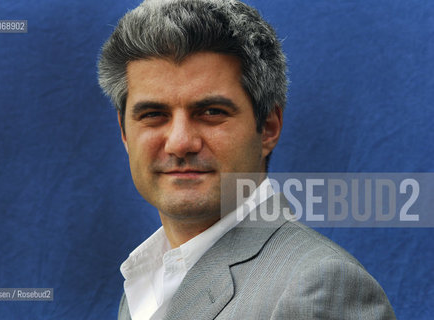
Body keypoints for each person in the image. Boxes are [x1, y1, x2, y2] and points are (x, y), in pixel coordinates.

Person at [97, 0, 396, 319]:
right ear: (124, 132)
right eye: (154, 114)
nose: (180, 142)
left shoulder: (319, 288)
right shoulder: (144, 283)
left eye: (211, 112)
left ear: (268, 128)